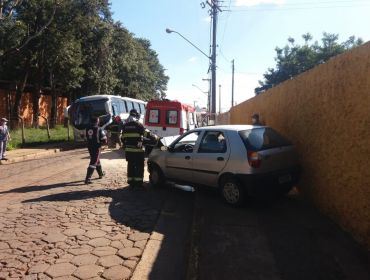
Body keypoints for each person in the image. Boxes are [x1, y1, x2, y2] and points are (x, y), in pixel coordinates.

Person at [121, 109, 159, 188]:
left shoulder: (125, 126)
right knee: (139, 166)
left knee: (130, 166)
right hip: (138, 151)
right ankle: (138, 184)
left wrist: (127, 144)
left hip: (128, 151)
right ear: (136, 116)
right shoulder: (139, 125)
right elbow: (148, 134)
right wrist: (156, 138)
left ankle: (131, 182)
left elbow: (122, 138)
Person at [84, 116, 107, 184]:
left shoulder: (87, 128)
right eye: (98, 120)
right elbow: (104, 140)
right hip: (96, 147)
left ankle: (100, 174)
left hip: (90, 146)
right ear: (97, 121)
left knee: (97, 160)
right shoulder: (99, 129)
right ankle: (88, 178)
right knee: (94, 161)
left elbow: (86, 137)